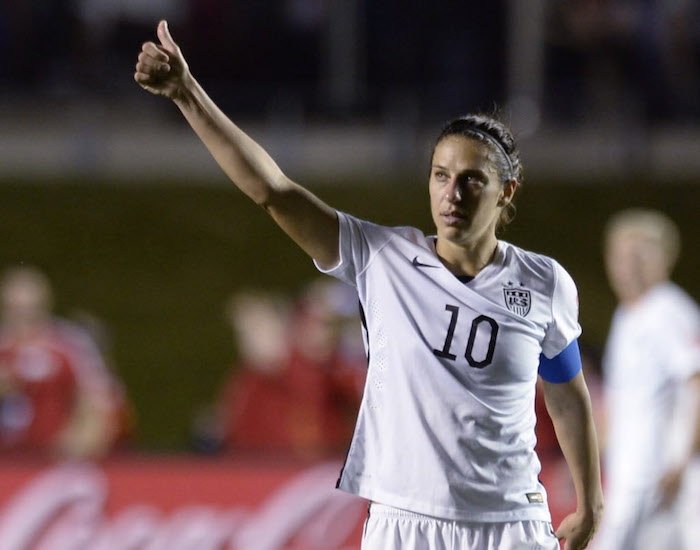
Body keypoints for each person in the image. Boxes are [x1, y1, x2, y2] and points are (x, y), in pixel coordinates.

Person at [134, 20, 603, 549]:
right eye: (441, 175)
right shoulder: (383, 257)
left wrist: (591, 503)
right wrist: (187, 94)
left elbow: (566, 395)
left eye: (472, 179)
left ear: (506, 190)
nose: (453, 194)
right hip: (405, 524)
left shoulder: (544, 282)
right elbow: (273, 190)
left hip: (509, 524)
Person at [592, 209, 700, 550]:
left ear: (665, 259)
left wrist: (681, 463)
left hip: (661, 478)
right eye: (621, 256)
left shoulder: (668, 310)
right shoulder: (628, 315)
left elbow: (697, 382)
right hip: (630, 474)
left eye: (640, 255)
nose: (629, 266)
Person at [0, 265, 130, 460]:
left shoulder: (69, 342)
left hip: (54, 463)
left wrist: (77, 444)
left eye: (31, 310)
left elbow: (101, 402)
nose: (23, 319)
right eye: (15, 310)